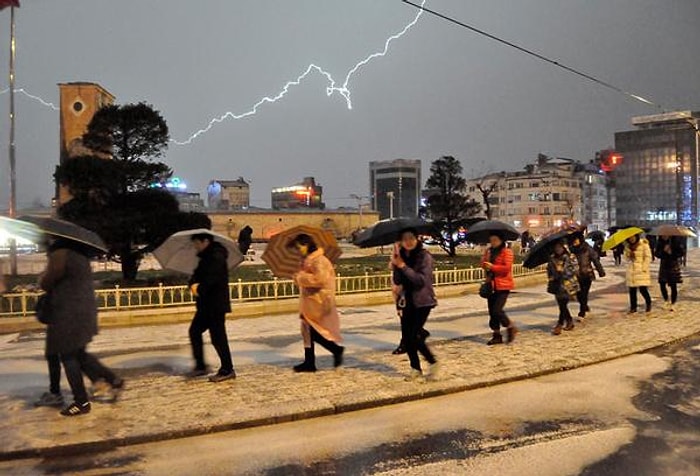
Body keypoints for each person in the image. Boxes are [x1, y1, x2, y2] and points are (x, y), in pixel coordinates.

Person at [39, 238, 123, 416]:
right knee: (79, 354)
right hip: (83, 312)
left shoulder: (60, 255)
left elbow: (46, 283)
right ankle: (112, 380)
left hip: (67, 314)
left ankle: (81, 401)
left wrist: (43, 276)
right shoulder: (79, 254)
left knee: (68, 357)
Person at [291, 234, 344, 372]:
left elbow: (320, 279)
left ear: (307, 245)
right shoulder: (308, 261)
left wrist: (301, 277)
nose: (299, 250)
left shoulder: (319, 260)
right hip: (310, 300)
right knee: (307, 331)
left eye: (300, 247)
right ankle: (309, 361)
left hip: (319, 300)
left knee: (314, 332)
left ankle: (335, 349)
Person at [188, 233, 236, 382]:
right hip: (205, 305)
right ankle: (201, 365)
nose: (195, 246)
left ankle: (227, 369)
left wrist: (199, 288)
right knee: (195, 331)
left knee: (218, 337)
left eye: (197, 243)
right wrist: (192, 283)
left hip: (215, 304)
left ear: (205, 241)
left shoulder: (216, 257)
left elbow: (211, 279)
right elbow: (197, 276)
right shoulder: (205, 258)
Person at [391, 229, 438, 381]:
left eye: (411, 238)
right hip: (406, 301)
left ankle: (432, 362)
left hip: (422, 301)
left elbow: (420, 281)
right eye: (404, 239)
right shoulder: (402, 256)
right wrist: (395, 263)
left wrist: (403, 266)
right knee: (407, 337)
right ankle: (415, 368)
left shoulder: (424, 257)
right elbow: (398, 281)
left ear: (417, 239)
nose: (408, 242)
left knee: (413, 336)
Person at [481, 232, 518, 345]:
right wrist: (485, 260)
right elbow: (483, 264)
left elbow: (506, 268)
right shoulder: (489, 251)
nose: (493, 242)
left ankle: (510, 326)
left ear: (501, 240)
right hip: (490, 284)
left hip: (503, 285)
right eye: (491, 240)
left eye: (495, 240)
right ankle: (496, 335)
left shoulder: (507, 252)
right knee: (492, 312)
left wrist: (493, 267)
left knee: (497, 310)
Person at [569, 232, 605, 320]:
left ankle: (582, 312)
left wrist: (601, 271)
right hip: (575, 276)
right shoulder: (571, 250)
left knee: (584, 294)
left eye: (576, 239)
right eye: (573, 240)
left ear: (580, 239)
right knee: (578, 294)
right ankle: (585, 306)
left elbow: (595, 260)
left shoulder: (587, 248)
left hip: (587, 275)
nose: (574, 241)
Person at [547, 240, 579, 335]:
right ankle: (569, 321)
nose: (558, 249)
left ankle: (560, 324)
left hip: (567, 284)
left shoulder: (569, 257)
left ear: (563, 247)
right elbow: (549, 269)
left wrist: (562, 271)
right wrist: (550, 276)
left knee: (563, 304)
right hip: (556, 284)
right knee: (561, 305)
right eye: (556, 248)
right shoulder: (552, 258)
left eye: (559, 247)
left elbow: (575, 269)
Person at [625, 233, 652, 314]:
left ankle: (648, 303)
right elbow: (626, 258)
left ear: (636, 236)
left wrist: (644, 268)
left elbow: (648, 257)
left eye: (632, 237)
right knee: (632, 290)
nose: (631, 239)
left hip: (641, 270)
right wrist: (629, 254)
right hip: (632, 270)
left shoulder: (643, 244)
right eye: (629, 237)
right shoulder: (628, 247)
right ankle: (633, 307)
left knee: (643, 289)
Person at [655, 236, 684, 312]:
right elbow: (657, 254)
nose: (665, 236)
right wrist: (663, 251)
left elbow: (681, 252)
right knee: (662, 283)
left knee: (673, 285)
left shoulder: (675, 241)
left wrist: (672, 252)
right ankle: (666, 300)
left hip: (673, 265)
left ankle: (673, 303)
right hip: (664, 265)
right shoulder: (660, 242)